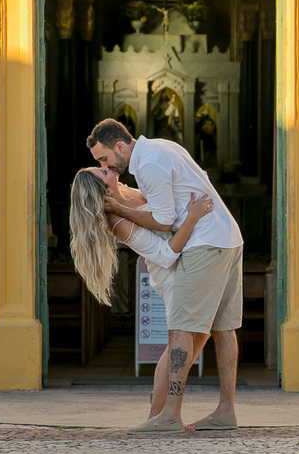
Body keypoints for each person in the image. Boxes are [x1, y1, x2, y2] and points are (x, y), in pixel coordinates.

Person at [87, 118, 244, 435]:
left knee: (180, 331)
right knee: (224, 328)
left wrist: (121, 208)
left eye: (104, 159)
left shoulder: (149, 163)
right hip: (227, 237)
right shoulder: (160, 148)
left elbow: (163, 219)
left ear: (119, 146)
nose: (106, 165)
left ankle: (170, 415)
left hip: (204, 244)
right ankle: (225, 411)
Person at [69, 166, 214, 425]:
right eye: (100, 171)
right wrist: (192, 217)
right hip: (171, 274)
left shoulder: (127, 188)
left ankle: (159, 408)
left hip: (188, 264)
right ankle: (157, 416)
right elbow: (165, 254)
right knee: (178, 346)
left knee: (199, 337)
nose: (105, 166)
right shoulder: (117, 223)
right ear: (104, 191)